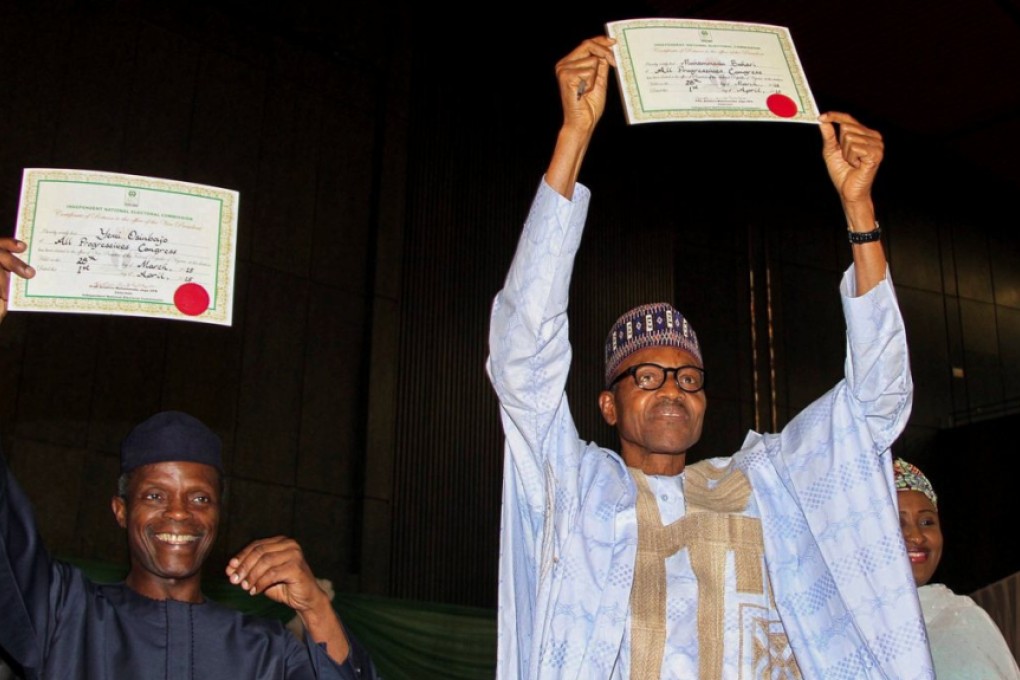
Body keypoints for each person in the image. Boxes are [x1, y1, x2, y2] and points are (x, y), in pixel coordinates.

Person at [486, 36, 934, 678]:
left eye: (689, 377)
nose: (672, 388)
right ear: (608, 404)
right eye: (648, 375)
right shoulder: (577, 487)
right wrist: (574, 137)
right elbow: (523, 349)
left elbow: (876, 402)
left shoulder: (762, 484)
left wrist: (860, 211)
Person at [0, 406, 379, 679]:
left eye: (200, 499)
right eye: (155, 496)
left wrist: (315, 607)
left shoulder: (267, 652)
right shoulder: (65, 614)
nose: (179, 513)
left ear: (218, 514)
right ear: (120, 510)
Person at [894, 458, 1020, 679]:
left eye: (927, 522)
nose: (916, 536)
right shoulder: (835, 629)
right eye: (897, 522)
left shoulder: (962, 621)